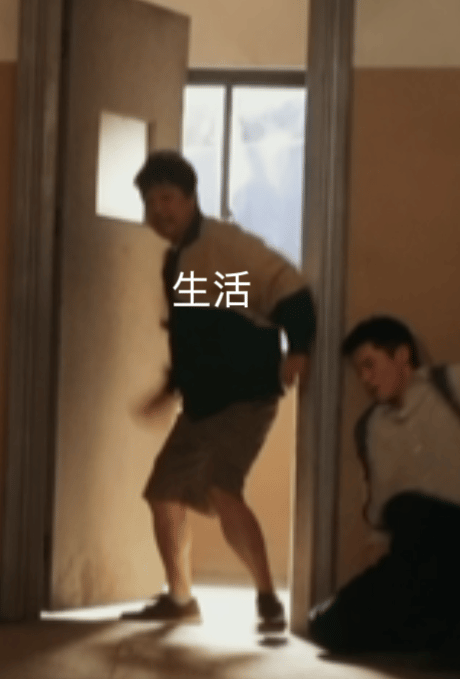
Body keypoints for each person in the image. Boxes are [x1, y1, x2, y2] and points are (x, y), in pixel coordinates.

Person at [121, 150, 316, 631]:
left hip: (245, 397)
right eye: (151, 202)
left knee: (222, 488)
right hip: (202, 403)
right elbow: (203, 328)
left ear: (191, 198)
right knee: (164, 493)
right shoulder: (182, 260)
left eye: (168, 198)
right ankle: (180, 598)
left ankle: (267, 599)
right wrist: (171, 387)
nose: (159, 210)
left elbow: (286, 290)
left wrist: (298, 347)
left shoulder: (223, 244)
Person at [309, 315, 460, 655]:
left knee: (410, 509)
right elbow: (379, 516)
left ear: (402, 356)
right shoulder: (372, 429)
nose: (365, 379)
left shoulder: (449, 385)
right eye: (359, 371)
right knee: (327, 626)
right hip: (415, 561)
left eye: (370, 365)